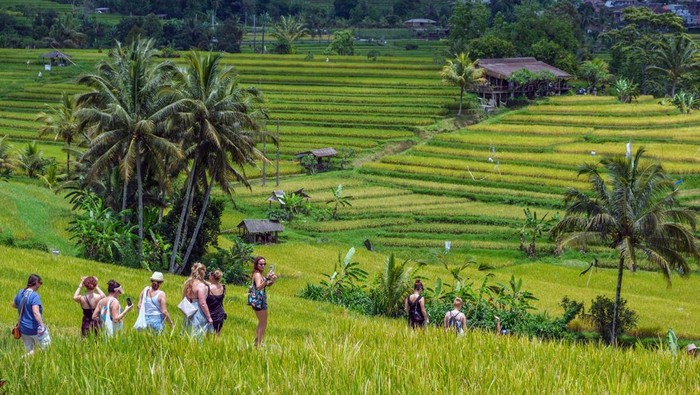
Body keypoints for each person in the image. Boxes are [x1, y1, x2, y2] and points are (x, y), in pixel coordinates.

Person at [13, 274, 48, 356]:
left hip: (23, 329)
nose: (40, 285)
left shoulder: (21, 292)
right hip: (34, 328)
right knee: (46, 346)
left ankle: (26, 365)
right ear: (36, 282)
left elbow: (14, 304)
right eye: (40, 282)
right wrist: (42, 325)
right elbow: (36, 312)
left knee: (29, 349)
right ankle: (24, 358)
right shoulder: (34, 296)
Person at [251, 256, 277, 347]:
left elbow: (265, 285)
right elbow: (258, 287)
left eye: (264, 264)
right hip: (259, 301)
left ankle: (257, 341)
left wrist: (272, 281)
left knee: (261, 322)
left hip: (260, 300)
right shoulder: (257, 274)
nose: (263, 266)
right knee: (263, 322)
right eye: (261, 264)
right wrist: (267, 278)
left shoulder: (259, 274)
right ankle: (258, 343)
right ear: (256, 265)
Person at [182, 263, 213, 338]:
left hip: (188, 309)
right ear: (202, 272)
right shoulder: (200, 285)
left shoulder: (188, 283)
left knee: (187, 331)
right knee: (197, 333)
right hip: (197, 310)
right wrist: (209, 317)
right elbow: (202, 303)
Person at [205, 270, 227, 335]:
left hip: (210, 314)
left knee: (208, 336)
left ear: (212, 277)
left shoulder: (208, 288)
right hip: (220, 314)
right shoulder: (223, 287)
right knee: (217, 335)